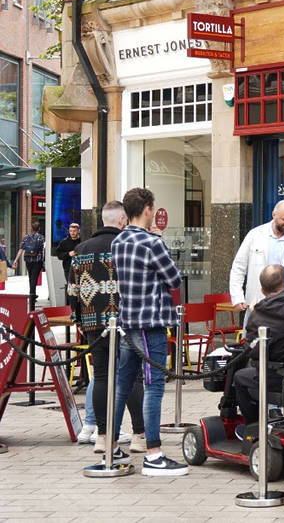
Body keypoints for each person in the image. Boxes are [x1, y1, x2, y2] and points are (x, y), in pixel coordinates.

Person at [110, 187, 188, 476]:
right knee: (154, 386)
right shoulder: (152, 243)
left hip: (128, 321)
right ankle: (154, 454)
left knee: (122, 384)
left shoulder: (119, 241)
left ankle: (112, 444)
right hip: (150, 321)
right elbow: (174, 279)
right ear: (146, 209)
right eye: (152, 208)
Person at [71, 201, 146, 456]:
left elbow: (74, 291)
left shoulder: (81, 250)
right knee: (133, 377)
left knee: (101, 377)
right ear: (123, 220)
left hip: (94, 324)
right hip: (127, 322)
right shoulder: (128, 246)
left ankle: (102, 437)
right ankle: (139, 435)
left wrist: (80, 320)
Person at [232, 264, 284, 427]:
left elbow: (253, 352)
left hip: (277, 378)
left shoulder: (259, 313)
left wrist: (254, 312)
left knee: (239, 376)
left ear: (262, 291)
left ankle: (253, 427)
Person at [229, 200, 284, 312]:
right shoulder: (255, 234)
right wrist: (237, 297)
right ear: (274, 215)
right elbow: (238, 267)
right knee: (253, 329)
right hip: (256, 303)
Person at [12, 218, 46, 308]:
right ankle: (32, 294)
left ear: (31, 228)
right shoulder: (41, 237)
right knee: (34, 277)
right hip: (37, 260)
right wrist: (44, 260)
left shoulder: (26, 237)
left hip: (28, 260)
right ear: (39, 228)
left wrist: (15, 260)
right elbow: (43, 250)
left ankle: (32, 293)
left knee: (31, 277)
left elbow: (21, 250)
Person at [55, 222, 81, 308]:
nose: (72, 233)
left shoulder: (82, 242)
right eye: (71, 231)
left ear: (78, 231)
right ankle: (72, 308)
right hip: (68, 269)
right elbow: (59, 254)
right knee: (71, 288)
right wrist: (68, 254)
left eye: (74, 231)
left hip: (81, 268)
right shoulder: (64, 242)